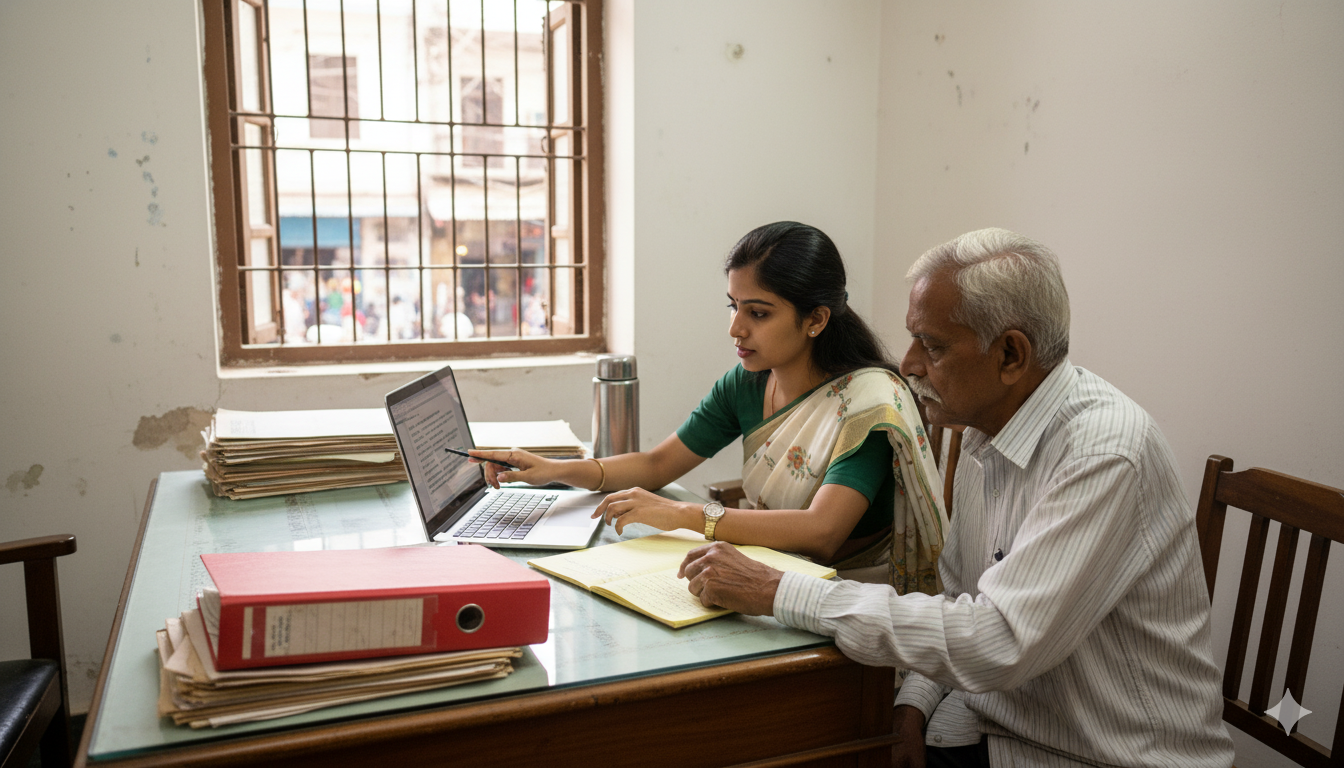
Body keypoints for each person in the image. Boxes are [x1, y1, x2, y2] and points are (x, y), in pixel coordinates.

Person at [677, 228, 1235, 767]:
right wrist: (911, 707)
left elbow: (997, 641)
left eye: (933, 345)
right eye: (914, 337)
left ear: (1011, 355)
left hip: (1100, 754)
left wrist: (779, 591)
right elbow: (955, 596)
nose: (907, 363)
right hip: (995, 724)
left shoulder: (1104, 453)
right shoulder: (983, 430)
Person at [472, 221, 947, 589]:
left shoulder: (867, 406)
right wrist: (554, 470)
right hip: (768, 571)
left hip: (849, 588)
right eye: (733, 306)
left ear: (816, 320)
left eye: (758, 313)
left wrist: (684, 516)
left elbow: (822, 532)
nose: (736, 328)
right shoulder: (747, 383)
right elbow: (658, 464)